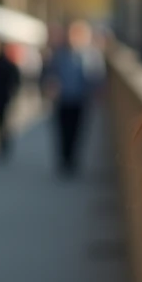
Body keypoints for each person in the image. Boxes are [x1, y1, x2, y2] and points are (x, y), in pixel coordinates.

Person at [43, 20, 104, 176]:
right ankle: (64, 160)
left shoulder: (91, 55)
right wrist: (50, 86)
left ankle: (72, 161)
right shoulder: (59, 54)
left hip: (81, 100)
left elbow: (97, 78)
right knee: (63, 131)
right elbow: (49, 73)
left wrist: (97, 92)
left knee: (78, 131)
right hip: (62, 100)